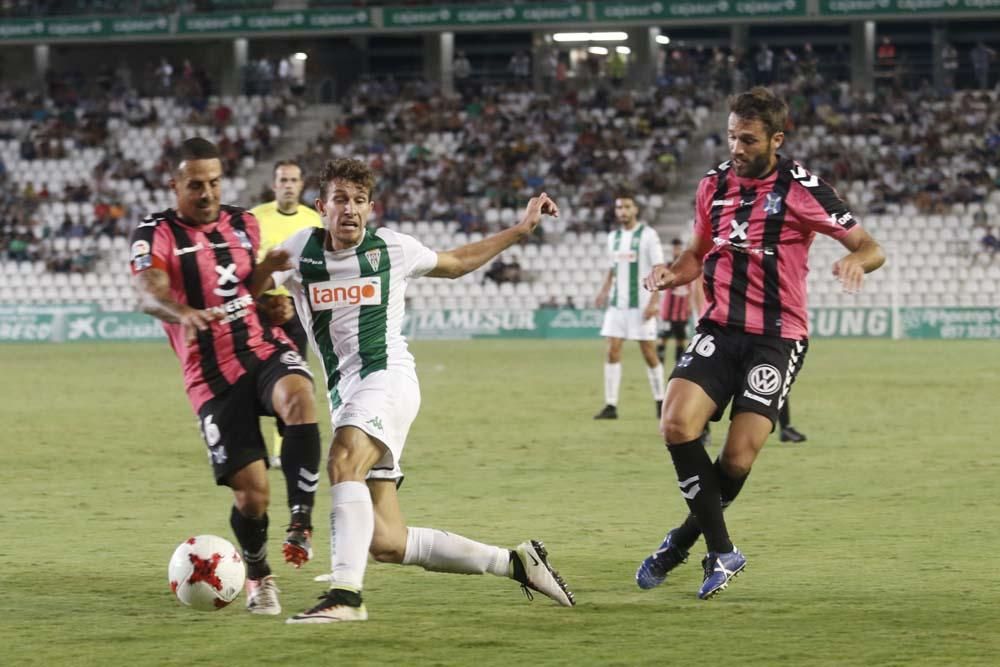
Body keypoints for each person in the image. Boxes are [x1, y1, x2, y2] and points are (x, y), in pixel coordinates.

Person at [253, 158, 575, 623]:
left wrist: (521, 229)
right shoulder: (302, 249)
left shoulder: (392, 250)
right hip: (347, 394)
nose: (350, 210)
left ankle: (346, 596)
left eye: (360, 201)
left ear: (370, 207)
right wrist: (268, 291)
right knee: (387, 542)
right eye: (340, 200)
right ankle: (516, 562)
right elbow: (256, 285)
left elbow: (457, 262)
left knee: (343, 459)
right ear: (321, 207)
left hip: (388, 380)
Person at [634, 88, 885, 600]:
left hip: (777, 338)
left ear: (775, 139)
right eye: (730, 136)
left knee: (737, 461)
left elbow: (869, 245)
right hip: (720, 328)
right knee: (676, 424)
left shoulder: (802, 188)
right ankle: (721, 551)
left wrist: (857, 261)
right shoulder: (712, 185)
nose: (736, 147)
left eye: (747, 139)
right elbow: (697, 255)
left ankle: (680, 544)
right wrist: (669, 274)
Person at [129, 138, 323, 616]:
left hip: (260, 346)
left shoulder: (245, 223)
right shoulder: (155, 232)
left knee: (299, 394)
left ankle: (301, 519)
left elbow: (249, 289)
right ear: (174, 185)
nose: (207, 192)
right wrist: (183, 312)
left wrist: (271, 292)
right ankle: (259, 574)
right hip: (210, 376)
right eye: (195, 184)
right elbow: (147, 294)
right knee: (252, 495)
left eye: (214, 182)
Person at [251, 160, 323, 467]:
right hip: (259, 306)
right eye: (283, 179)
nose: (289, 184)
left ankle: (283, 449)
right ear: (274, 184)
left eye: (294, 179)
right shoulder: (255, 217)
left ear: (302, 184)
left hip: (294, 306)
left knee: (294, 374)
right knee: (250, 374)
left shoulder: (313, 220)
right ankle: (248, 443)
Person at [593, 192, 666, 420]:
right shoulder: (612, 237)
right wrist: (603, 291)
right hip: (617, 306)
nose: (622, 211)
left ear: (635, 210)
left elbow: (659, 269)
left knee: (649, 353)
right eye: (619, 207)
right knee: (611, 350)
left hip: (641, 305)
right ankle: (611, 405)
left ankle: (660, 400)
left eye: (626, 207)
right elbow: (612, 269)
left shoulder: (648, 235)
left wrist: (655, 301)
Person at [657, 238, 702, 366]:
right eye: (674, 248)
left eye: (678, 248)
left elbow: (692, 287)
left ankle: (678, 367)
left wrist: (690, 304)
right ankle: (660, 366)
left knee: (680, 341)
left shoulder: (688, 267)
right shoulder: (667, 266)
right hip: (668, 311)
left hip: (682, 311)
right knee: (662, 339)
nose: (676, 250)